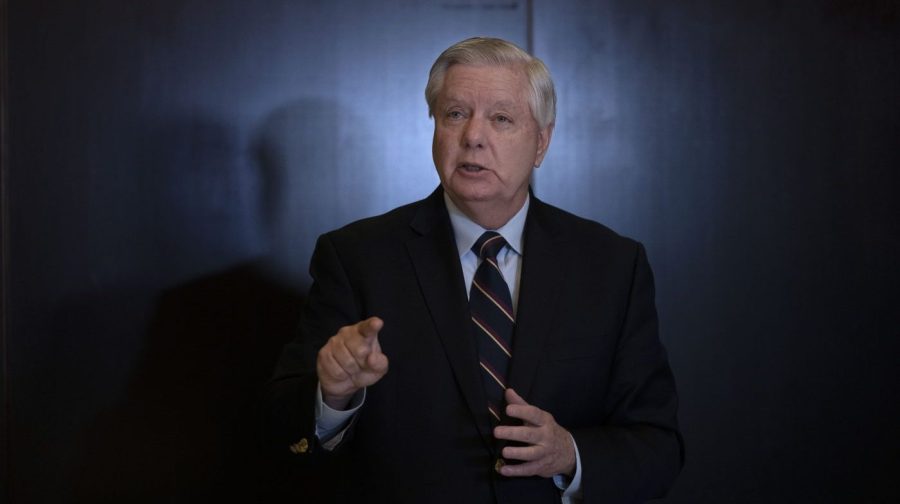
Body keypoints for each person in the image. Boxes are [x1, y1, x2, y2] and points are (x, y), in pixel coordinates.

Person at [265, 37, 683, 503]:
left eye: (501, 119)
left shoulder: (611, 266)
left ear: (541, 142)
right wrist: (333, 395)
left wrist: (570, 453)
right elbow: (284, 432)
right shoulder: (356, 257)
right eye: (455, 114)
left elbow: (657, 447)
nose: (473, 137)